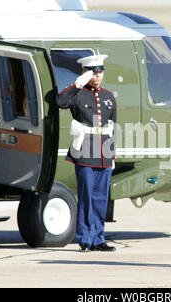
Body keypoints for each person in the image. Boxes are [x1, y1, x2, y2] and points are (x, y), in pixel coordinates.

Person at [57, 54, 117, 252]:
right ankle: (85, 238)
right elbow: (60, 101)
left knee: (101, 199)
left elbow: (112, 126)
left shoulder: (108, 97)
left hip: (103, 153)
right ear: (85, 73)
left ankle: (98, 238)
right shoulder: (78, 94)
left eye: (100, 72)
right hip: (84, 151)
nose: (98, 76)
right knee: (86, 196)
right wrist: (76, 84)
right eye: (93, 72)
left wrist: (112, 155)